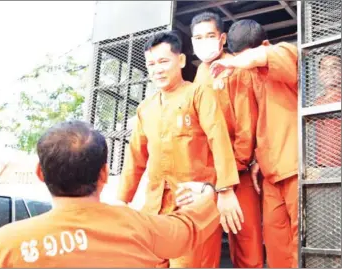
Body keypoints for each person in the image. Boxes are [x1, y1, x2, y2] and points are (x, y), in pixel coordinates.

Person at [0, 120, 223, 268]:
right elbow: (188, 228)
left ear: (40, 173)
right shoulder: (137, 226)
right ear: (104, 174)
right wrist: (208, 192)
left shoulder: (3, 248)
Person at [116, 31, 243, 268]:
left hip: (193, 206)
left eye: (164, 61)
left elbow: (219, 138)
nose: (157, 69)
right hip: (155, 208)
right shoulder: (145, 108)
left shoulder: (198, 93)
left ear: (181, 61)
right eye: (151, 64)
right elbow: (135, 158)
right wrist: (122, 201)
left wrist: (225, 191)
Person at [210, 19, 298, 268]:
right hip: (271, 175)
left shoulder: (286, 55)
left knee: (301, 244)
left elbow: (269, 55)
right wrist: (257, 159)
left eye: (247, 58)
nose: (244, 65)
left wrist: (237, 61)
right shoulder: (245, 76)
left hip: (296, 169)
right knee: (276, 246)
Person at [191, 14, 263, 268]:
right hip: (207, 175)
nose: (204, 42)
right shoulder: (200, 73)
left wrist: (232, 172)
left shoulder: (236, 67)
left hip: (237, 171)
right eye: (198, 38)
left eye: (210, 36)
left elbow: (246, 124)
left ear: (222, 38)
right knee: (204, 242)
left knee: (247, 241)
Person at [314, 55, 341, 168]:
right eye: (324, 68)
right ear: (319, 74)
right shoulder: (317, 102)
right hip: (321, 165)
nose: (328, 72)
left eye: (334, 67)